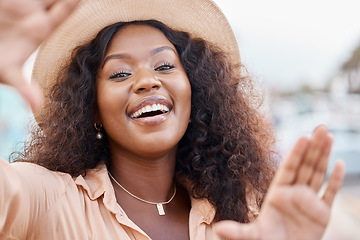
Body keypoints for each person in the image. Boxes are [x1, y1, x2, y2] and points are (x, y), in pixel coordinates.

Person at [0, 0, 345, 239]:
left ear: (194, 90)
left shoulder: (242, 211)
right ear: (91, 107)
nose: (147, 81)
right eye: (120, 74)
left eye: (165, 66)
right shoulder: (46, 199)